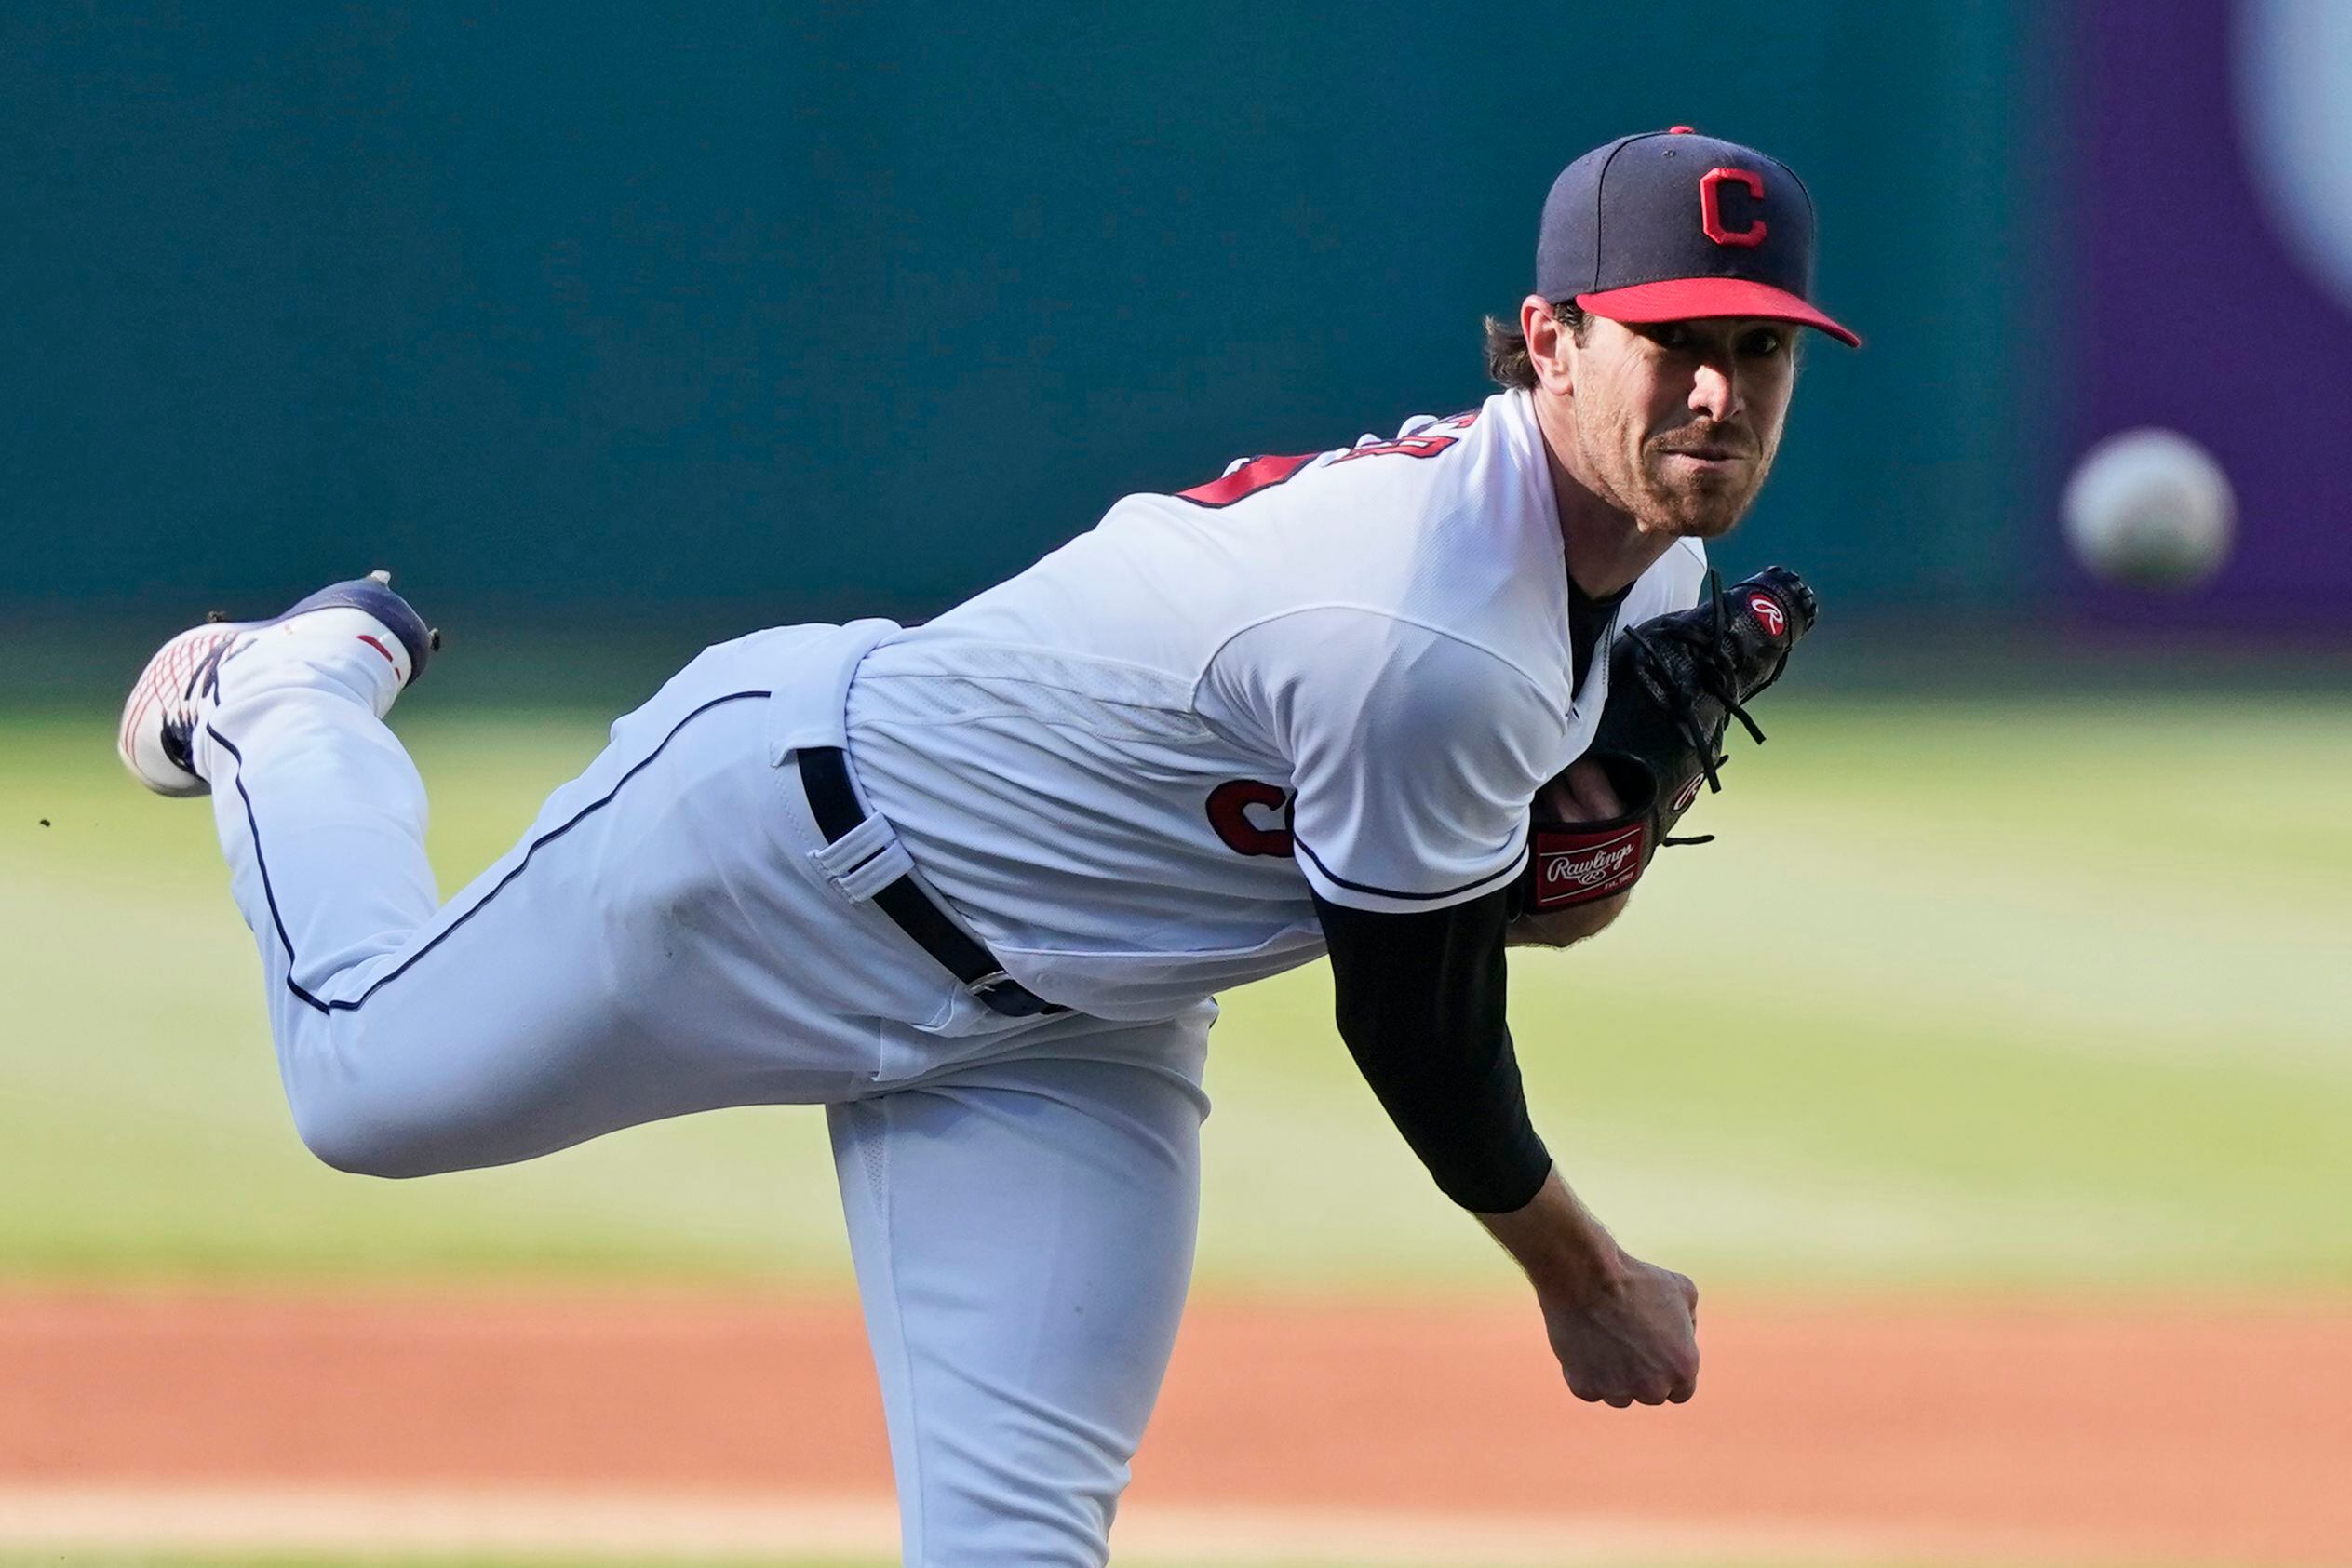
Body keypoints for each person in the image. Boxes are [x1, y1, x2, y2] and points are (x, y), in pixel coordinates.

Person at [116, 127, 1854, 1567]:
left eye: (1758, 348)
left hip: (1073, 1037)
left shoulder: (1649, 576)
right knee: (358, 1087)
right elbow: (1420, 1024)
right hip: (783, 858)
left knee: (1017, 1543)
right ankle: (292, 699)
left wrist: (1591, 826)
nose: (1716, 389)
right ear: (1549, 340)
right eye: (1668, 340)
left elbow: (1498, 915)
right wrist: (1587, 1279)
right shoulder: (1430, 636)